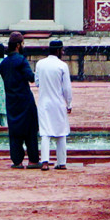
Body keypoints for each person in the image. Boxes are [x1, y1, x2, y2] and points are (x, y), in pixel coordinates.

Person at [0, 33, 41, 168]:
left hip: (11, 101)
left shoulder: (4, 64)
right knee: (30, 130)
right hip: (25, 100)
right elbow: (30, 77)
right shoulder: (21, 60)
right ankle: (33, 160)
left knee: (14, 131)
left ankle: (17, 161)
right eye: (23, 44)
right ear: (18, 45)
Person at [36, 38, 75, 169]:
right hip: (58, 102)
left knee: (45, 132)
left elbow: (37, 82)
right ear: (59, 51)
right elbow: (66, 88)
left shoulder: (40, 64)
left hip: (44, 103)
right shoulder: (62, 66)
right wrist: (69, 103)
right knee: (61, 131)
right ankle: (62, 162)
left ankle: (45, 162)